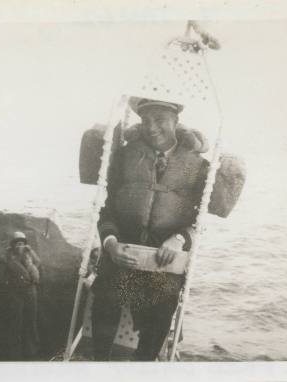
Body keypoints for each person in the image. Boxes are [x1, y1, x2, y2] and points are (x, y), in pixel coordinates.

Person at [91, 97, 210, 361]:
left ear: (176, 121)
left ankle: (142, 369)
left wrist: (179, 239)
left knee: (161, 310)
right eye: (145, 121)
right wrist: (111, 243)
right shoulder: (125, 157)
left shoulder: (198, 166)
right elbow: (107, 211)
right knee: (106, 300)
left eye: (160, 120)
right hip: (122, 255)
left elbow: (199, 222)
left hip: (163, 263)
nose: (152, 128)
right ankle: (98, 367)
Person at [1, 231, 41, 360]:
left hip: (30, 291)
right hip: (15, 292)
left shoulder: (29, 255)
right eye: (17, 243)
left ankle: (32, 350)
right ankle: (14, 352)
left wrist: (30, 254)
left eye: (22, 243)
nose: (20, 246)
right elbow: (7, 271)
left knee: (31, 320)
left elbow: (38, 263)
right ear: (13, 245)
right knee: (15, 321)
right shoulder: (9, 257)